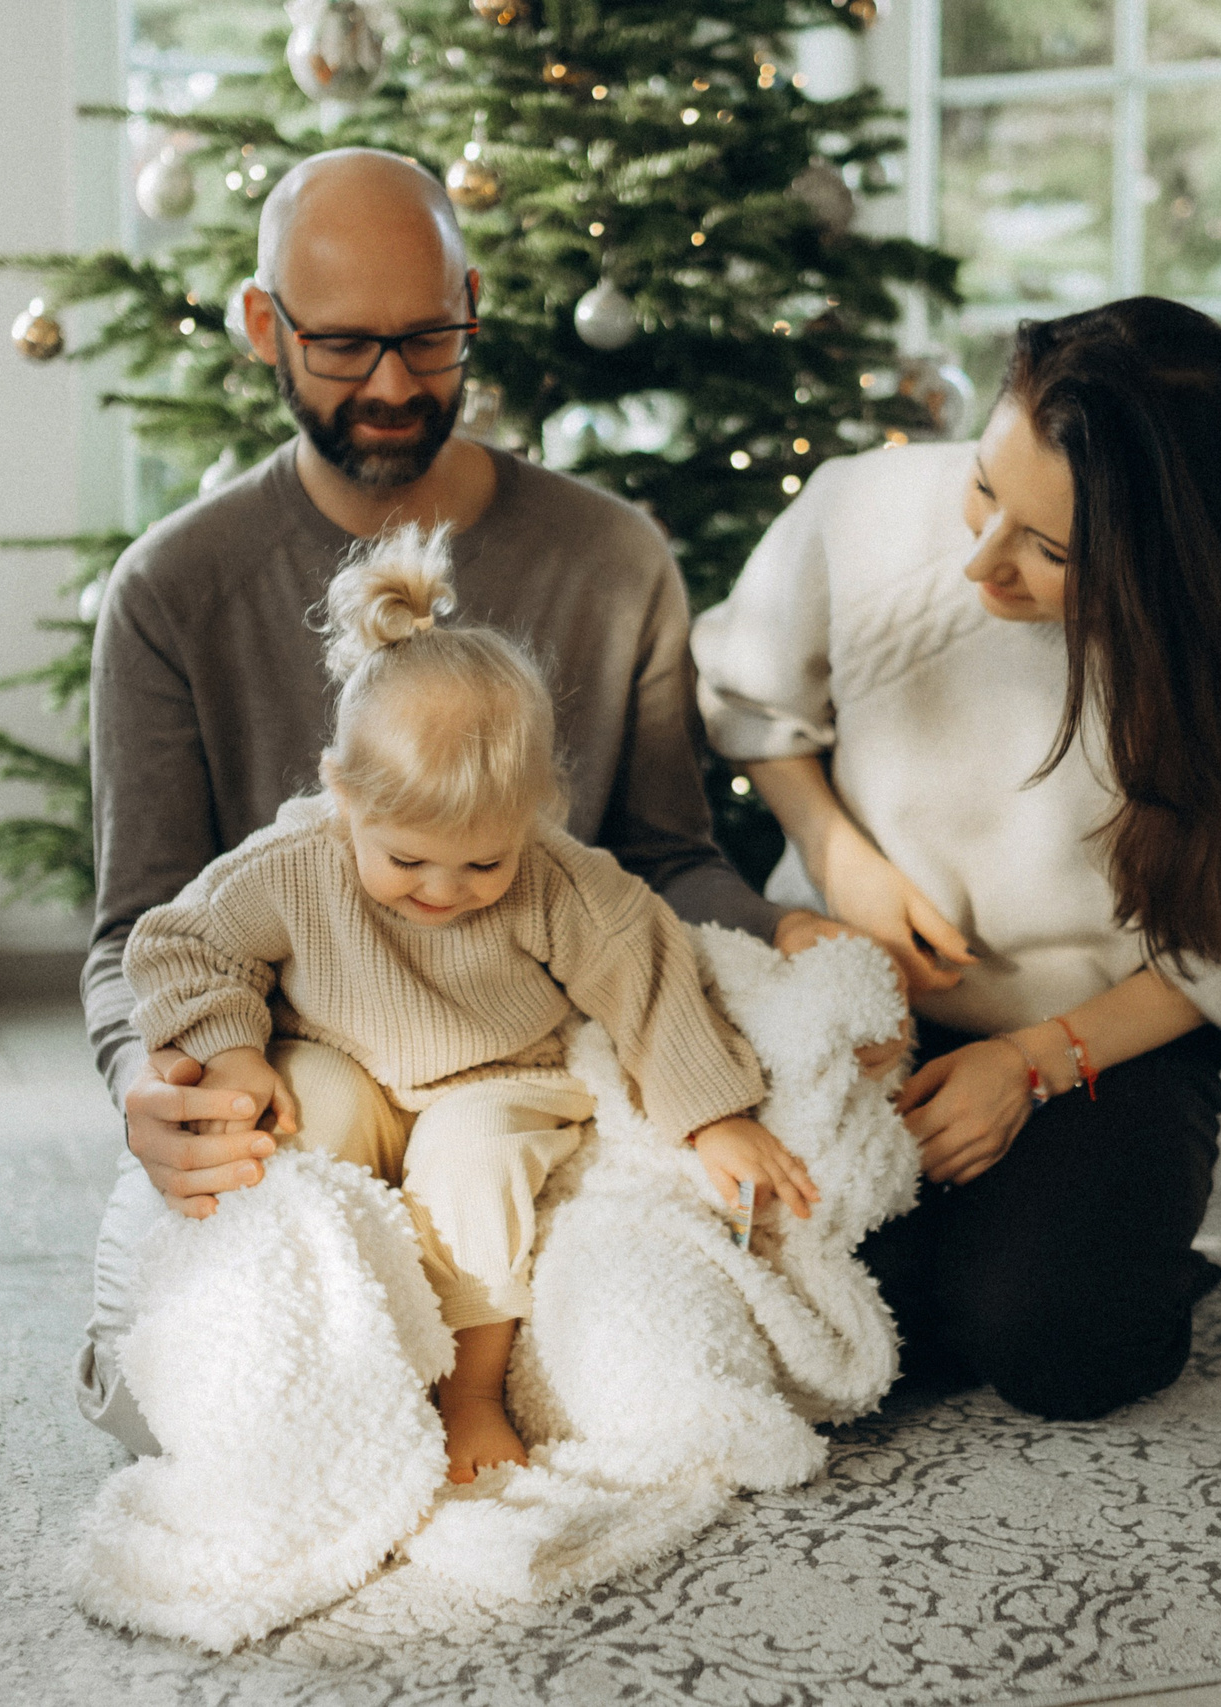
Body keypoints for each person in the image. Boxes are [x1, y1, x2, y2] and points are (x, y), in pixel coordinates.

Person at [74, 147, 862, 1456]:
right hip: (284, 1070)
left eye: (428, 339)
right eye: (343, 345)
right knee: (170, 1401)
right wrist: (149, 1083)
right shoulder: (172, 589)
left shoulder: (611, 560)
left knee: (679, 1362)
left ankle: (485, 1371)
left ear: (474, 308)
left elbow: (665, 864)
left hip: (526, 1075)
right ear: (265, 325)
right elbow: (145, 930)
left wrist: (795, 944)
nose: (392, 384)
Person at [692, 296, 1221, 1422]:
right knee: (788, 1310)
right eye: (982, 489)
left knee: (1066, 1347)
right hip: (853, 1007)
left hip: (1109, 1035)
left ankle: (1084, 1231)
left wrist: (1031, 1062)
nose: (979, 563)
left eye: (1050, 550)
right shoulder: (858, 507)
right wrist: (838, 854)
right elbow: (749, 704)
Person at [125, 527, 817, 1481]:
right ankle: (315, 1344)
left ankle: (470, 1395)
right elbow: (179, 942)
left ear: (533, 813)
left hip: (498, 1077)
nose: (443, 890)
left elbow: (649, 975)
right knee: (296, 1117)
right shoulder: (294, 863)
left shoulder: (560, 884)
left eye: (482, 862)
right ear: (341, 797)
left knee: (469, 1161)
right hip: (347, 1057)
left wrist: (716, 1116)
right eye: (406, 859)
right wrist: (230, 1046)